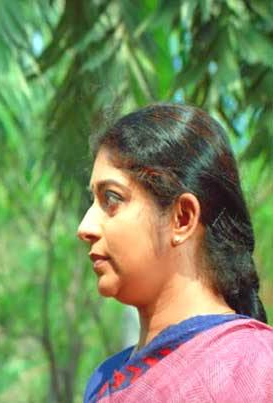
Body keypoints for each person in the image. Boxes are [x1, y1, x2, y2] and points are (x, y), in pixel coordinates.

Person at [77, 103, 273, 402]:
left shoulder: (254, 368)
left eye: (111, 199)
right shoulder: (105, 380)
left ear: (182, 218)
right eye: (93, 200)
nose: (85, 227)